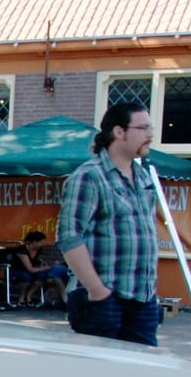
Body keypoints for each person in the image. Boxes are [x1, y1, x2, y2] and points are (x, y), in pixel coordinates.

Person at [56, 102, 161, 347]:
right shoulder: (89, 176)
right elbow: (69, 235)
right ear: (119, 132)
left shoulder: (143, 177)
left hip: (141, 298)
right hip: (103, 300)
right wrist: (97, 291)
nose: (150, 135)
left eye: (150, 128)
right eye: (143, 128)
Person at [13, 230, 68, 306]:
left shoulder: (38, 250)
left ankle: (29, 295)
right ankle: (21, 297)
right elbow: (31, 269)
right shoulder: (22, 251)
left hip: (30, 271)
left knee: (42, 276)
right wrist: (48, 267)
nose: (42, 245)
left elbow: (36, 261)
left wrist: (42, 263)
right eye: (41, 242)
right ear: (34, 242)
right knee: (25, 276)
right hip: (18, 271)